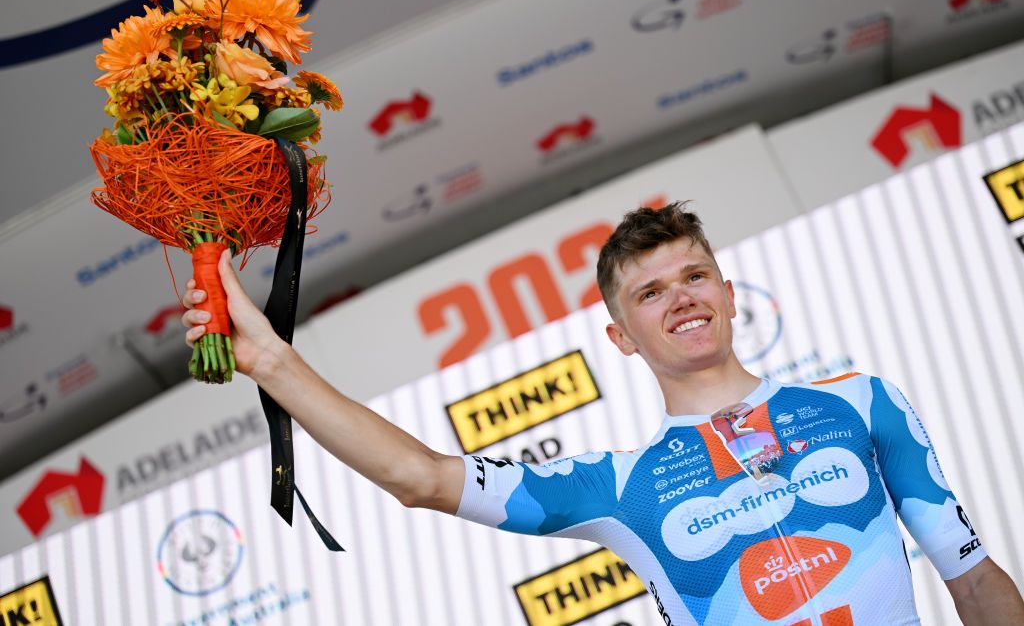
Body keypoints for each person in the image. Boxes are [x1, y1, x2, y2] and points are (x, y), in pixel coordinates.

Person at [182, 202, 1024, 625]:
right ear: (621, 336)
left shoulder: (859, 402)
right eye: (650, 292)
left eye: (694, 277)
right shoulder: (620, 485)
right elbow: (424, 477)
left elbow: (975, 576)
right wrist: (271, 362)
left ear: (729, 296)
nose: (681, 299)